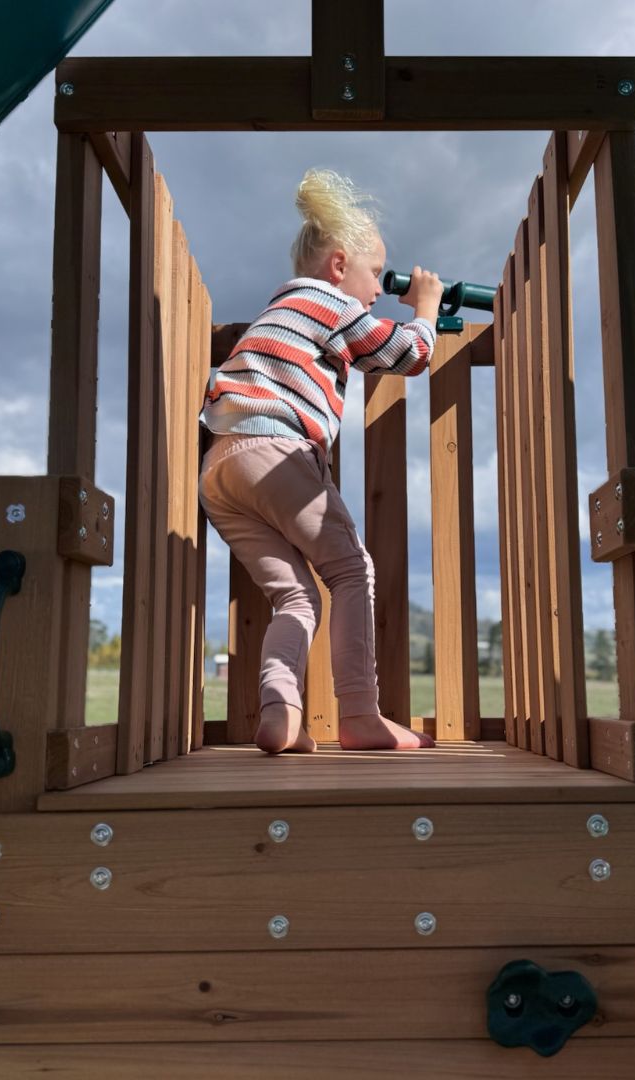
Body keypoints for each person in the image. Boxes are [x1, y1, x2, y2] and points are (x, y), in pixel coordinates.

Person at [199, 168, 442, 754]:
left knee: (296, 597)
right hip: (276, 453)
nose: (380, 292)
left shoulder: (282, 309)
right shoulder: (328, 302)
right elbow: (404, 353)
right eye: (375, 276)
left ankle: (281, 709)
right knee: (351, 571)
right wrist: (427, 308)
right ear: (338, 267)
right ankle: (359, 714)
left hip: (221, 468)